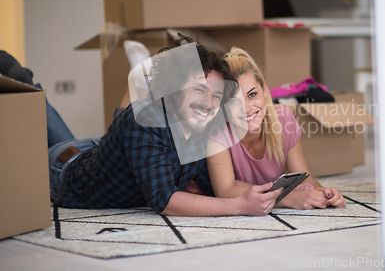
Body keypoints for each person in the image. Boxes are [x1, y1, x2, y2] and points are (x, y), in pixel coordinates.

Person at [0, 41, 282, 217]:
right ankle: (25, 84)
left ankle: (136, 77)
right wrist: (239, 206)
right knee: (29, 122)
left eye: (217, 96)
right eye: (199, 89)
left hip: (104, 152)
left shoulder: (202, 126)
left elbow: (219, 189)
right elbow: (165, 201)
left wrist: (273, 193)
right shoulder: (144, 119)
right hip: (63, 168)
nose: (210, 102)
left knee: (119, 134)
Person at [207, 47, 347, 209]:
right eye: (233, 101)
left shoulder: (283, 118)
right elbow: (225, 190)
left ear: (264, 90)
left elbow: (305, 178)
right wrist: (285, 198)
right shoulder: (217, 130)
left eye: (252, 94)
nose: (246, 108)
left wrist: (322, 192)